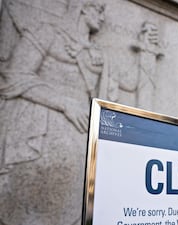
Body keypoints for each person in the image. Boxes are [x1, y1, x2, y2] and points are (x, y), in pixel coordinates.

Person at [0, 1, 106, 224]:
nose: (102, 18)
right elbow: (14, 76)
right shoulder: (47, 32)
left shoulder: (95, 53)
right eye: (99, 9)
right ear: (82, 7)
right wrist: (64, 103)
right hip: (39, 129)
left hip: (81, 139)